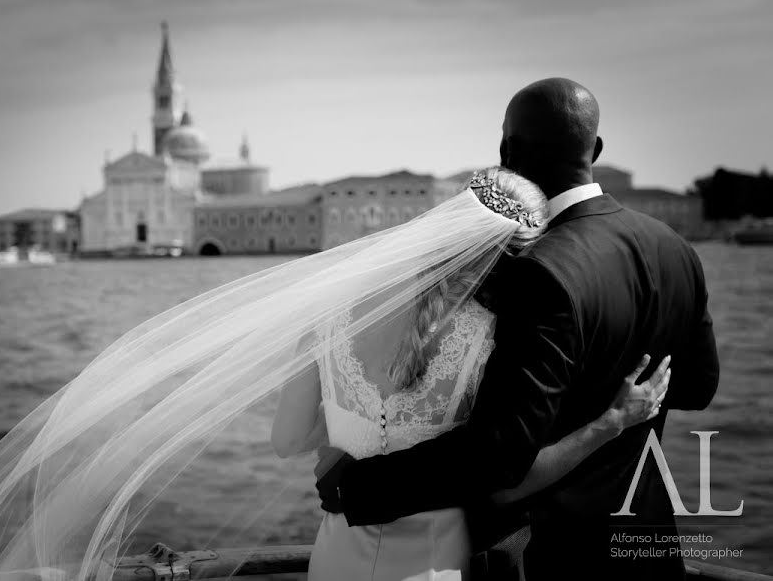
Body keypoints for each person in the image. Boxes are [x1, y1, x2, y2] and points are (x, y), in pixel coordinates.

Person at [315, 78, 720, 581]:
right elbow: (699, 388)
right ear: (594, 149)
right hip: (646, 538)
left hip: (553, 549)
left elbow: (496, 457)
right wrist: (621, 407)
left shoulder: (536, 270)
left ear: (507, 151)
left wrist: (356, 489)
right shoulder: (675, 248)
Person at [272, 167, 673, 581]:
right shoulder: (490, 337)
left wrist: (353, 429)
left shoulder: (334, 311)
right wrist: (614, 422)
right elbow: (503, 475)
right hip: (432, 564)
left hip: (334, 560)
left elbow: (287, 440)